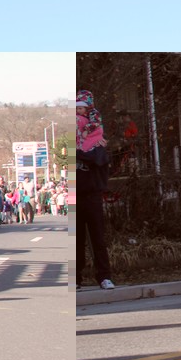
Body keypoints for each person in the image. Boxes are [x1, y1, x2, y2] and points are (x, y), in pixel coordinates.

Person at [75, 90, 114, 290]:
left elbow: (99, 159)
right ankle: (76, 278)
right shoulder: (74, 142)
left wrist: (81, 153)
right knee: (77, 240)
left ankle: (104, 276)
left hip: (92, 195)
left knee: (98, 237)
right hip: (76, 195)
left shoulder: (97, 143)